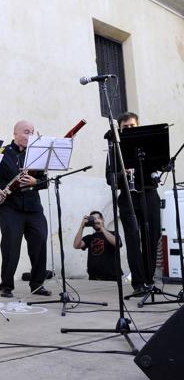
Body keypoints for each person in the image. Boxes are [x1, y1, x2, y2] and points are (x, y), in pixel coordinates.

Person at [0, 120, 51, 298]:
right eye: (26, 132)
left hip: (33, 206)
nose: (30, 136)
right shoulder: (2, 152)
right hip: (11, 206)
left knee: (40, 242)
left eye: (32, 133)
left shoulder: (36, 155)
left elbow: (45, 181)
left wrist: (36, 182)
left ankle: (37, 284)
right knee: (11, 245)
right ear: (15, 133)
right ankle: (6, 285)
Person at [106, 112, 161, 295]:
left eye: (132, 126)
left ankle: (149, 279)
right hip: (128, 197)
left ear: (138, 126)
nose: (129, 129)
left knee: (152, 237)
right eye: (125, 127)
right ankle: (138, 283)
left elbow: (160, 164)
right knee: (133, 240)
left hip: (149, 194)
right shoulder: (115, 148)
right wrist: (124, 173)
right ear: (120, 129)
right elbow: (110, 178)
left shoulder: (148, 145)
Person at [72, 211, 122, 281]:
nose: (94, 222)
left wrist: (102, 227)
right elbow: (76, 245)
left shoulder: (113, 233)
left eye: (96, 219)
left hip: (111, 277)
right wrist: (81, 227)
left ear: (102, 219)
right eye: (92, 219)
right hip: (93, 278)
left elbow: (117, 243)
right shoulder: (90, 237)